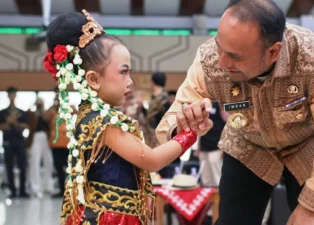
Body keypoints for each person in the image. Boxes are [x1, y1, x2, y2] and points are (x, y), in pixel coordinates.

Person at [156, 1, 314, 225]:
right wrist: (182, 126)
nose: (222, 62)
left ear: (273, 52)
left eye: (236, 57)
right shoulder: (209, 59)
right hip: (247, 143)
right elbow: (171, 121)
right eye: (219, 47)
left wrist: (309, 208)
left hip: (307, 147)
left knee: (312, 219)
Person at [44, 10, 200, 225]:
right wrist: (191, 134)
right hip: (111, 219)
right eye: (123, 72)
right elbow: (152, 160)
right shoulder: (103, 122)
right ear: (93, 79)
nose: (130, 81)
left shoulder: (91, 114)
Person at [0, 86, 30, 198]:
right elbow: (1, 127)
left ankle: (22, 190)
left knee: (22, 165)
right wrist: (8, 122)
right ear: (8, 96)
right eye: (10, 94)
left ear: (16, 95)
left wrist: (15, 122)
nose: (12, 96)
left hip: (19, 141)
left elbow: (26, 126)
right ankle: (12, 190)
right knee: (9, 166)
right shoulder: (3, 113)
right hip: (8, 141)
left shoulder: (21, 112)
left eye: (14, 94)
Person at [29, 97, 53, 197]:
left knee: (49, 162)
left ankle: (47, 186)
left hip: (46, 137)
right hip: (35, 136)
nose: (39, 105)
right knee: (35, 161)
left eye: (41, 103)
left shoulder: (46, 113)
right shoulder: (32, 113)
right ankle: (35, 187)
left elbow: (49, 121)